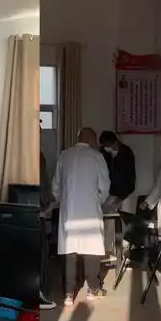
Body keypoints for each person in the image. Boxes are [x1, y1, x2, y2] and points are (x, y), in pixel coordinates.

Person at [52, 127, 110, 305]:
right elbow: (105, 186)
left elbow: (56, 186)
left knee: (69, 250)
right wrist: (98, 201)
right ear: (91, 139)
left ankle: (68, 294)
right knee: (91, 249)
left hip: (69, 211)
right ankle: (93, 289)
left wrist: (63, 200)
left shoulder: (64, 156)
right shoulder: (97, 157)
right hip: (90, 210)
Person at [39, 122, 57, 310]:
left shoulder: (40, 155)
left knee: (43, 253)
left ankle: (42, 292)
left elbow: (45, 181)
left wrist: (50, 199)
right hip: (38, 211)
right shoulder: (35, 156)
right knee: (40, 255)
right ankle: (39, 294)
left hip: (43, 209)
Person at [99, 130, 136, 213]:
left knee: (123, 216)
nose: (106, 148)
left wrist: (122, 197)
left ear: (115, 142)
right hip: (107, 194)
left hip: (124, 194)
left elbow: (130, 177)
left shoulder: (126, 153)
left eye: (107, 145)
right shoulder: (102, 153)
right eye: (104, 146)